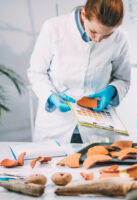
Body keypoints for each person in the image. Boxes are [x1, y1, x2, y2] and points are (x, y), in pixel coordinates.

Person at [28, 0, 131, 144]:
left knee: (100, 164)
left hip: (98, 123)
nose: (98, 40)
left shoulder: (121, 37)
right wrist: (50, 97)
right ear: (84, 14)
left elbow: (122, 78)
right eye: (94, 32)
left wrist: (112, 90)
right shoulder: (53, 28)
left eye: (106, 35)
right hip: (56, 125)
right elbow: (36, 72)